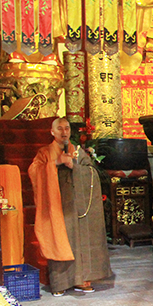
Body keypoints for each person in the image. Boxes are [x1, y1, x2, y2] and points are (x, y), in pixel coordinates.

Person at [28, 118, 111, 296]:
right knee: (60, 239)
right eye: (59, 129)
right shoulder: (44, 152)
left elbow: (92, 173)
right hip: (56, 206)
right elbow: (34, 171)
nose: (64, 132)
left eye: (66, 128)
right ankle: (60, 283)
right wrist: (55, 163)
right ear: (52, 132)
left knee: (79, 240)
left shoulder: (78, 152)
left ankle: (82, 280)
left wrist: (73, 166)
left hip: (77, 204)